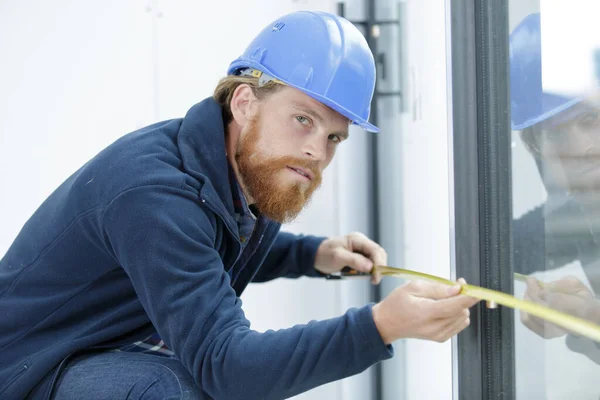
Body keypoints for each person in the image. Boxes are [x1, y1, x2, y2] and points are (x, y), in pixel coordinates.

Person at [0, 11, 478, 400]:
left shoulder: (243, 172)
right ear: (246, 101)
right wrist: (379, 327)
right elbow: (228, 368)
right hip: (29, 367)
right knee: (174, 390)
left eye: (334, 136)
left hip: (101, 347)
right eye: (302, 119)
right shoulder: (154, 193)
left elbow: (201, 251)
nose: (318, 150)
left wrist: (312, 254)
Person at [509, 12, 600, 354]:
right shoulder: (580, 213)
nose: (580, 149)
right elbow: (503, 248)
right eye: (554, 135)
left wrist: (589, 316)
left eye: (591, 119)